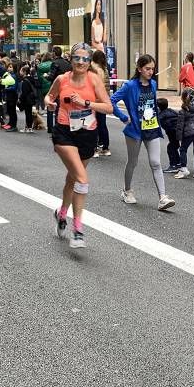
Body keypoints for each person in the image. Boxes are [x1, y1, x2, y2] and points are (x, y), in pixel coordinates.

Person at [44, 43, 114, 249]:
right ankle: (78, 230)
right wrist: (49, 102)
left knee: (72, 178)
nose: (81, 62)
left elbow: (108, 107)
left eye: (85, 59)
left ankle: (62, 213)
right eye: (77, 58)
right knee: (82, 179)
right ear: (71, 59)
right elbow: (50, 95)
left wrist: (86, 103)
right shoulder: (62, 79)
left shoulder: (94, 80)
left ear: (89, 62)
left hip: (87, 134)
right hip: (64, 133)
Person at [110, 53, 175, 211]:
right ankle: (127, 190)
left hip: (151, 128)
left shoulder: (153, 84)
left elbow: (152, 104)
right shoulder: (130, 86)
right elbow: (111, 100)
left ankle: (162, 197)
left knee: (156, 162)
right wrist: (123, 117)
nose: (151, 71)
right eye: (147, 68)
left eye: (152, 69)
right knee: (133, 162)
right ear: (139, 69)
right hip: (135, 130)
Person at [174, 87, 194, 178]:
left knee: (183, 149)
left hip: (188, 133)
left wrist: (179, 137)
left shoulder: (184, 109)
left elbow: (180, 125)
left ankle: (184, 168)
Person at [90, 49, 112, 156]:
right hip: (104, 100)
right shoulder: (105, 69)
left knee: (93, 124)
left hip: (94, 100)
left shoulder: (94, 69)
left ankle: (95, 148)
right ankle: (105, 147)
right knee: (102, 124)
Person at [157, 97, 181, 173]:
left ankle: (173, 165)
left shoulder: (161, 116)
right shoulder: (171, 111)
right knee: (173, 147)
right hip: (178, 132)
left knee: (171, 148)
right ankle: (178, 163)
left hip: (172, 133)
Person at [17, 64, 38, 133]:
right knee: (29, 113)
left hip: (27, 99)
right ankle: (29, 127)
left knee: (28, 113)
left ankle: (28, 127)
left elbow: (24, 92)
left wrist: (20, 99)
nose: (20, 72)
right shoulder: (31, 79)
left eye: (21, 71)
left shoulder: (25, 81)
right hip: (31, 98)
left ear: (25, 72)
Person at [36, 52, 54, 132]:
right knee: (56, 106)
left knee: (49, 107)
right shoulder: (53, 64)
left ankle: (50, 127)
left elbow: (39, 78)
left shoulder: (40, 66)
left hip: (44, 88)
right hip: (53, 87)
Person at [2, 61, 19, 132]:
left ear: (14, 68)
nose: (9, 68)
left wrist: (5, 89)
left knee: (12, 111)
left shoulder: (14, 76)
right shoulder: (9, 75)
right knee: (9, 110)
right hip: (9, 95)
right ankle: (10, 123)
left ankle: (13, 125)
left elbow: (14, 87)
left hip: (12, 95)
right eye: (8, 67)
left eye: (11, 67)